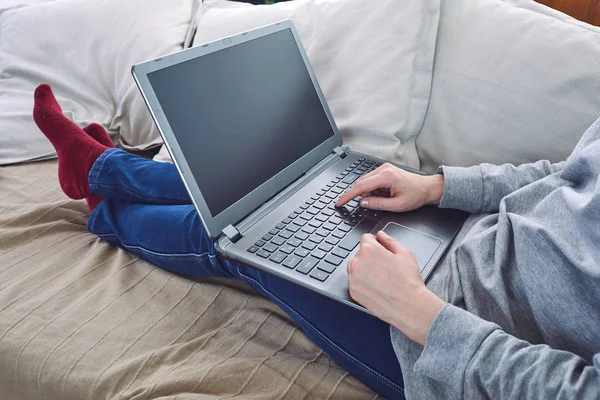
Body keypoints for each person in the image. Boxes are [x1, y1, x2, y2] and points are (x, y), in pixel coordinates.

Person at [33, 83, 600, 399]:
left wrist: (423, 316)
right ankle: (99, 171)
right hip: (461, 237)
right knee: (286, 186)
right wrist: (436, 187)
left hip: (449, 339)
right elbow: (569, 175)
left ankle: (104, 205)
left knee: (250, 244)